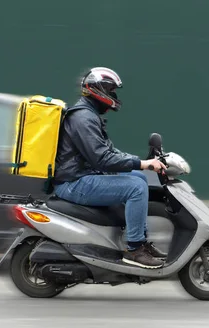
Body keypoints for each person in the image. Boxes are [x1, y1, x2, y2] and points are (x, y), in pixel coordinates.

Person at [53, 67, 167, 269]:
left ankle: (139, 240)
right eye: (111, 90)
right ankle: (134, 249)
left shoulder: (88, 115)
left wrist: (140, 163)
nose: (113, 95)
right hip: (74, 182)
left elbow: (109, 152)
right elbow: (102, 159)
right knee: (136, 187)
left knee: (140, 179)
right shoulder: (83, 118)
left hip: (84, 175)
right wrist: (142, 164)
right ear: (97, 89)